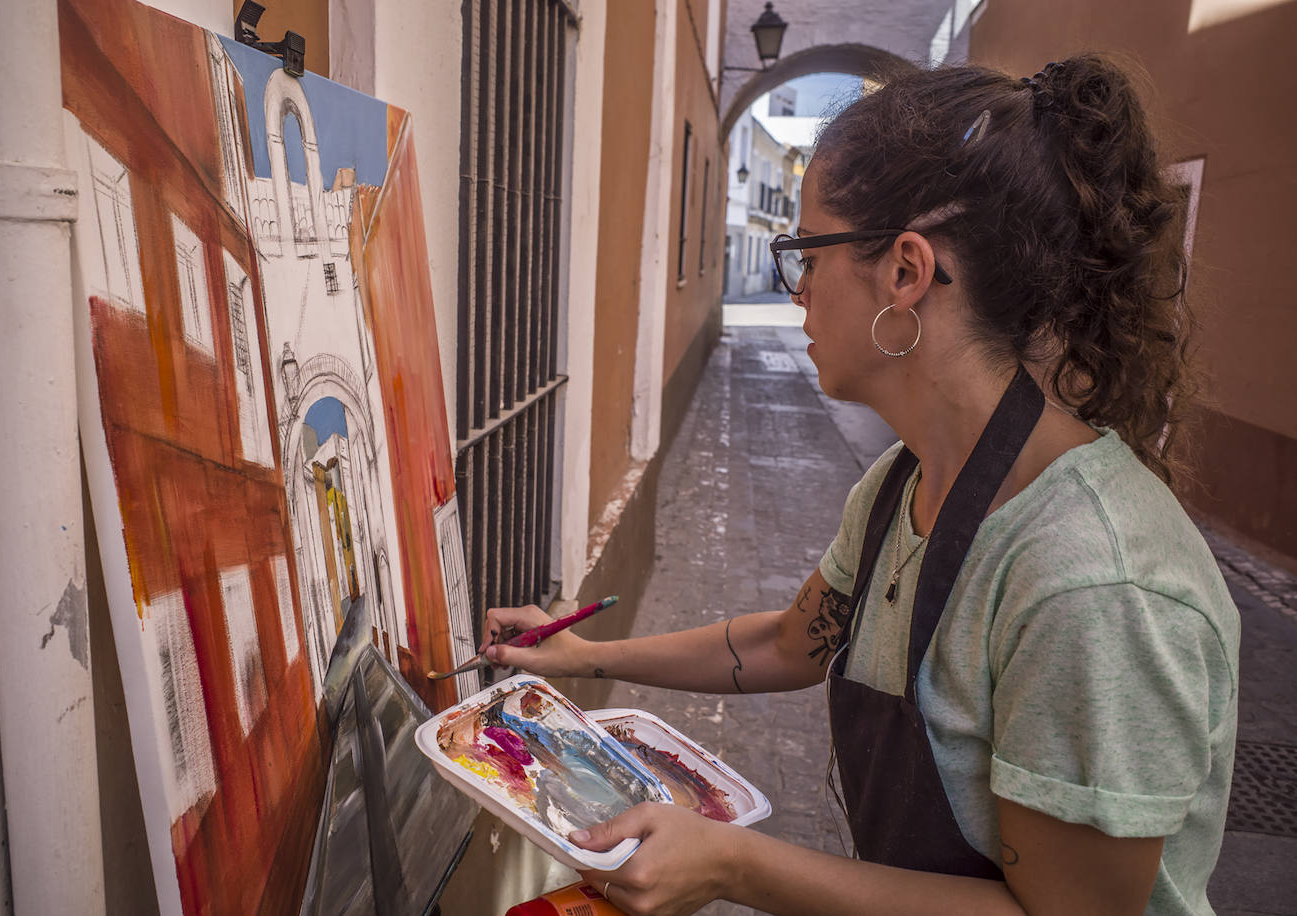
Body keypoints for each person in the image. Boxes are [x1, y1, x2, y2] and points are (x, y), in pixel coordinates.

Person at [479, 55, 1238, 916]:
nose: (797, 291)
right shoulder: (901, 481)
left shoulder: (1092, 581)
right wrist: (584, 658)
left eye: (805, 254)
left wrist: (734, 866)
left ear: (906, 274)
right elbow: (789, 644)